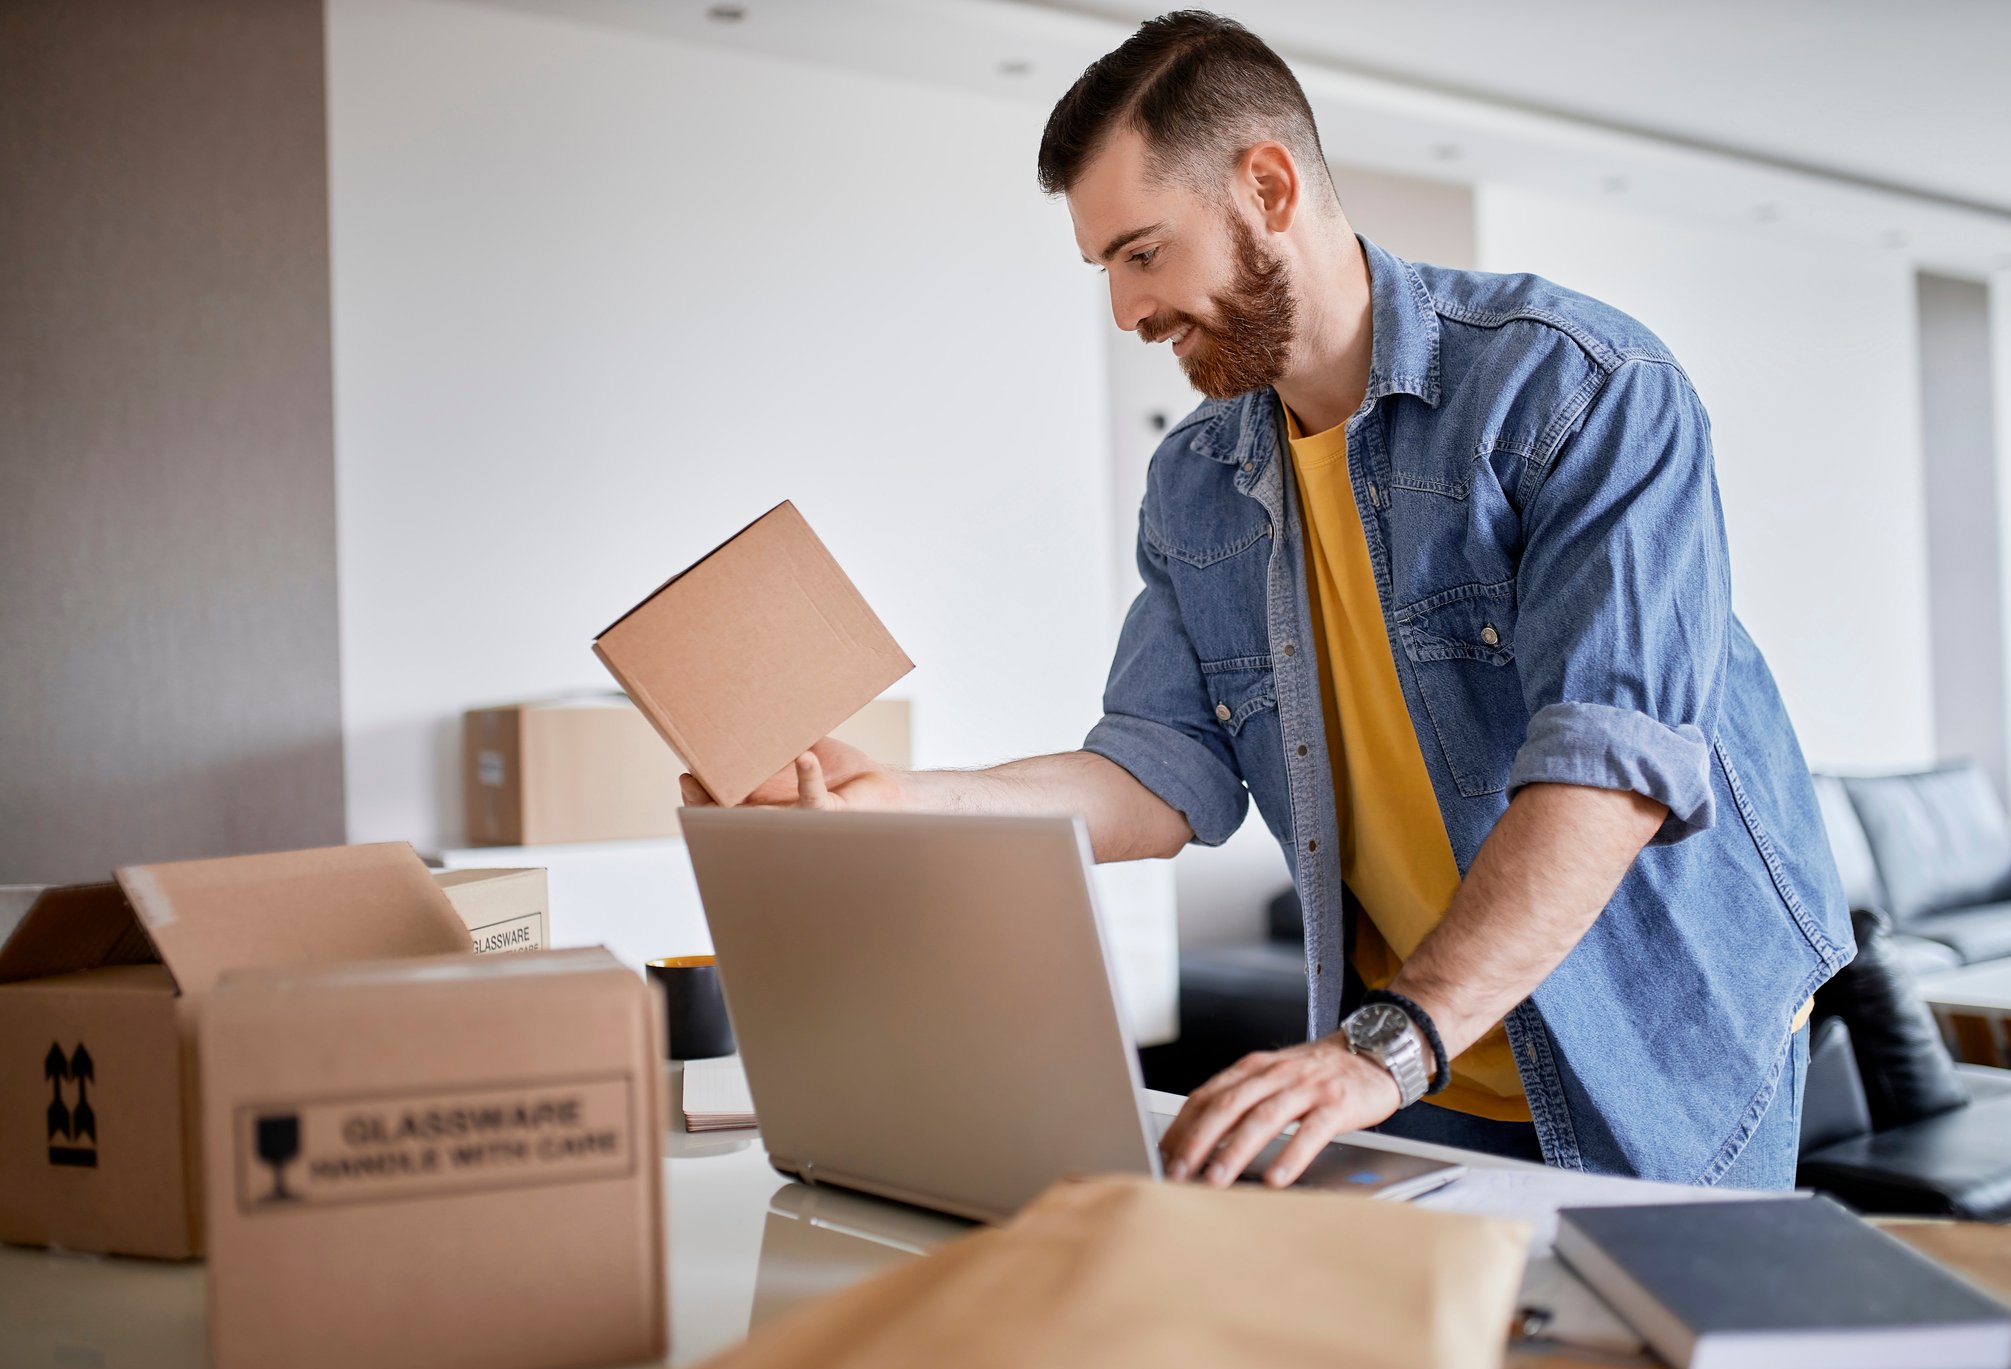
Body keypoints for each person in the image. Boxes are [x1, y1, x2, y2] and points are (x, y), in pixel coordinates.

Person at [682, 10, 1851, 1189]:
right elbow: (1159, 774)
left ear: (1270, 185)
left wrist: (1387, 1043)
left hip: (1653, 1033)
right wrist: (893, 807)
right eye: (1106, 271)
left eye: (1142, 253)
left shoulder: (1580, 389)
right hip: (1415, 1060)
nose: (1126, 312)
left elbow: (1611, 769)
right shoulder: (1196, 484)